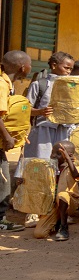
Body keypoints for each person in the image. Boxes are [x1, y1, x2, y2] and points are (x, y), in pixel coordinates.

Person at [24, 52, 77, 161]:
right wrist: (40, 112)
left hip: (64, 131)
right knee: (41, 161)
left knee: (62, 162)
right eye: (66, 68)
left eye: (71, 69)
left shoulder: (74, 87)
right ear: (54, 65)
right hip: (43, 131)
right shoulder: (39, 85)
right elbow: (24, 109)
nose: (68, 71)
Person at [0, 50, 31, 231]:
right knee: (3, 181)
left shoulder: (7, 83)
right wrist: (7, 137)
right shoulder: (2, 85)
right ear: (22, 67)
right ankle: (1, 220)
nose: (30, 68)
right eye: (29, 65)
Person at [32, 141, 79, 241]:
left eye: (58, 154)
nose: (53, 156)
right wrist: (24, 180)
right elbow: (36, 177)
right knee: (39, 233)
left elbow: (76, 175)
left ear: (69, 155)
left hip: (68, 202)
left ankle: (64, 227)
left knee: (62, 195)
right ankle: (56, 221)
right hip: (52, 205)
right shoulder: (49, 167)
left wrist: (68, 160)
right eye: (52, 152)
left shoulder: (72, 166)